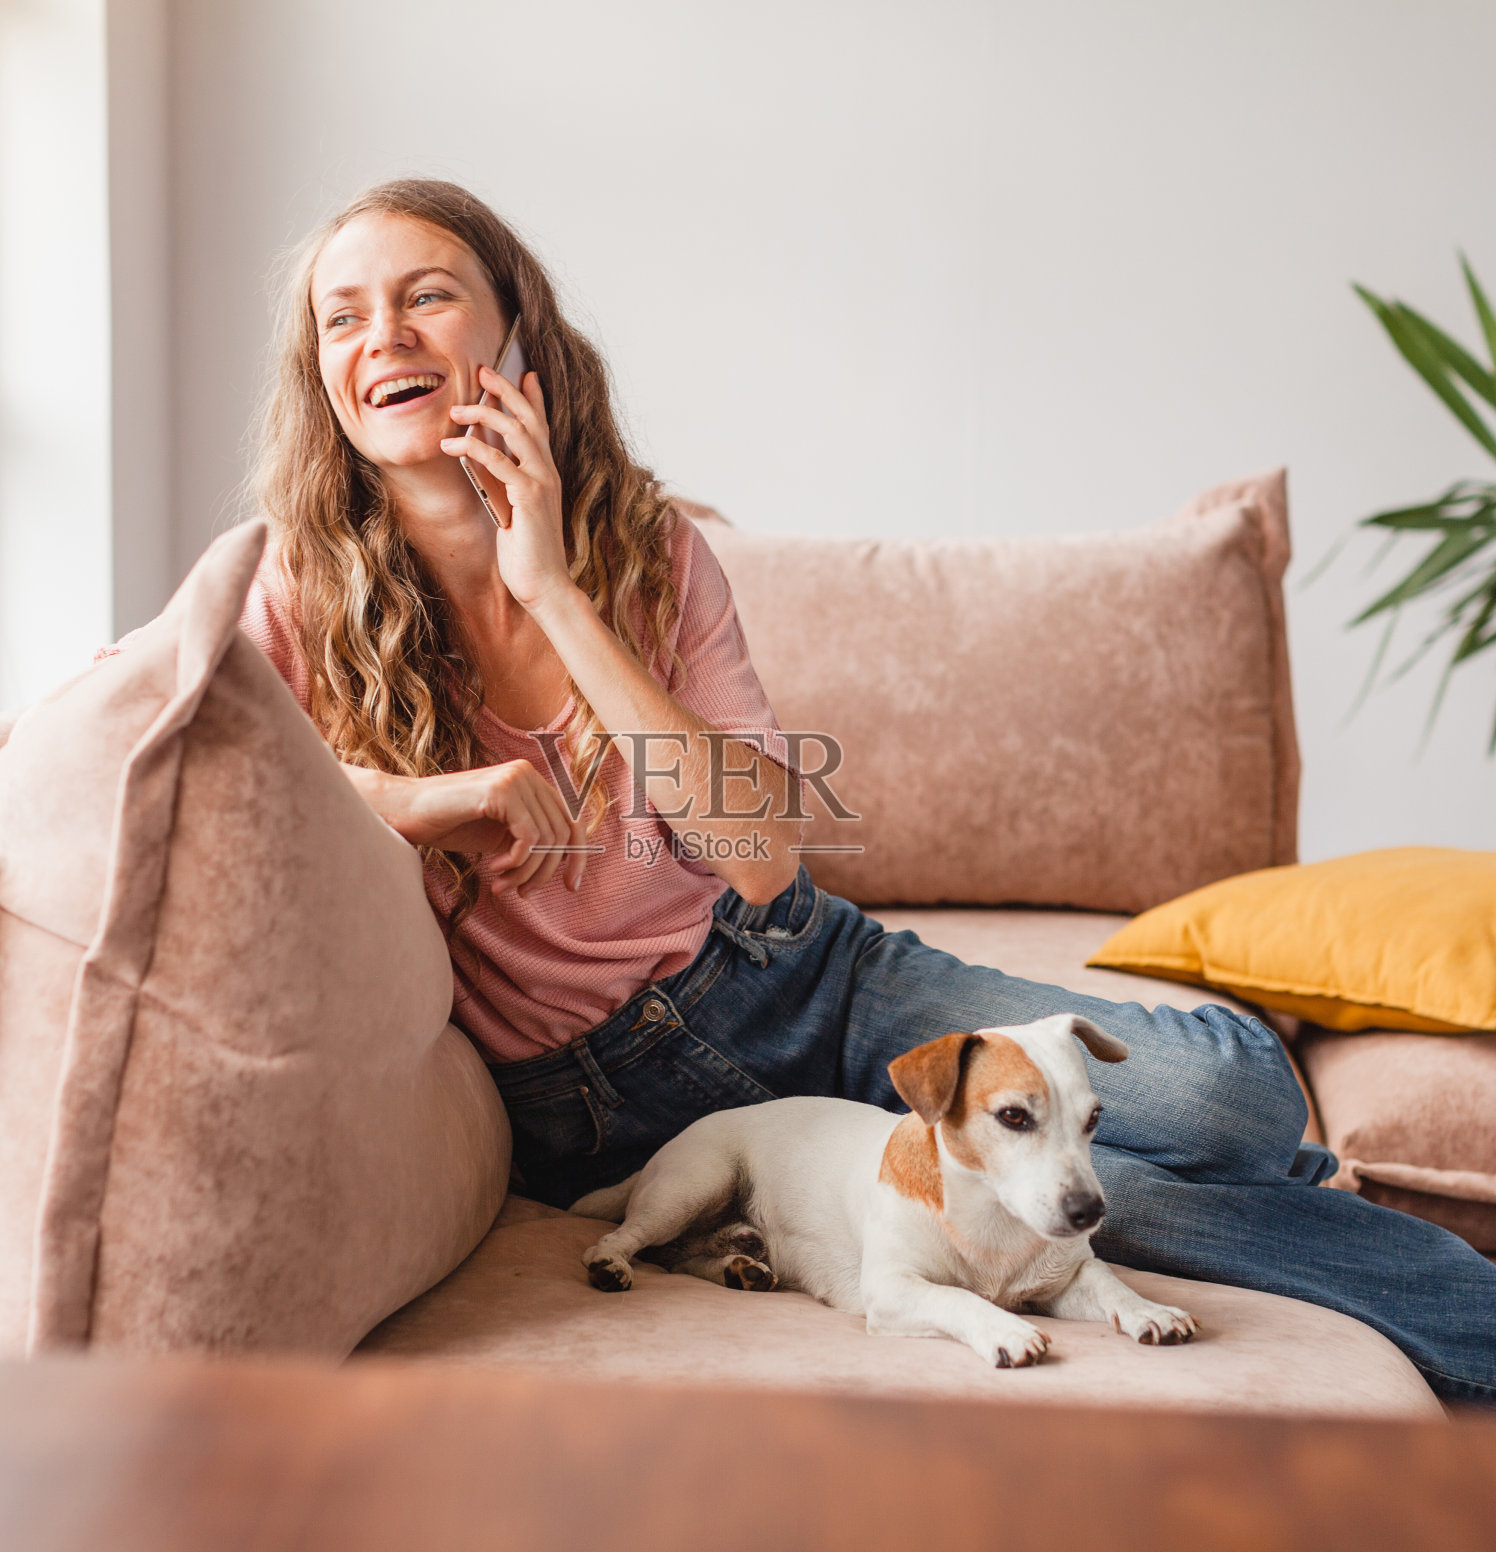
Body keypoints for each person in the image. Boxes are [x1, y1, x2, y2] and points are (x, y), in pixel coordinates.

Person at [200, 178, 1496, 1401]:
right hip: (618, 1097)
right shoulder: (286, 589)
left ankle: (1280, 1163)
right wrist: (430, 802)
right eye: (342, 313)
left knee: (1235, 1095)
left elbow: (759, 854)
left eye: (425, 294)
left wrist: (551, 589)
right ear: (319, 370)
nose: (382, 333)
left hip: (805, 969)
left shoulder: (646, 552)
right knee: (1077, 1192)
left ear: (513, 334)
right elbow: (203, 764)